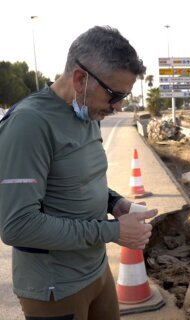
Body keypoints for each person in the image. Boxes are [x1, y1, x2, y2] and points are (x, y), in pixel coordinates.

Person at [0, 26, 157, 319]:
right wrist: (113, 231)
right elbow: (17, 226)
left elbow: (81, 180)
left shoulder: (87, 110)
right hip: (56, 287)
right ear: (80, 78)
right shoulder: (29, 124)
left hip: (96, 271)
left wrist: (114, 203)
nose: (119, 106)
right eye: (115, 95)